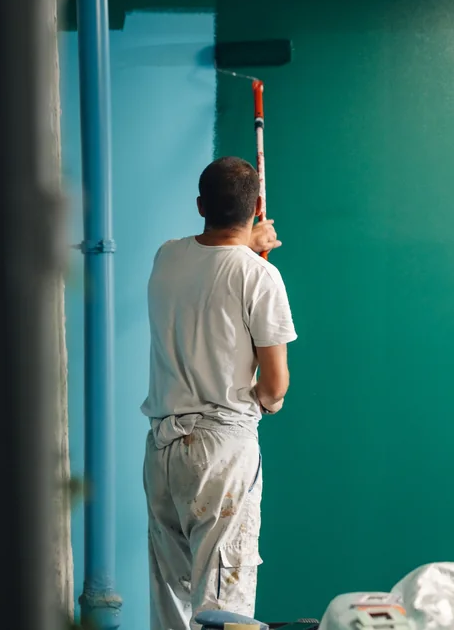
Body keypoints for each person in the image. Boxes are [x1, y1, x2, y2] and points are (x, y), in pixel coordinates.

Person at [141, 156, 297, 630]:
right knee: (222, 605)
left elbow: (210, 256)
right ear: (255, 208)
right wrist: (270, 402)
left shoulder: (167, 256)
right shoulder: (260, 277)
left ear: (200, 205)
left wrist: (249, 242)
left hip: (163, 449)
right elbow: (275, 385)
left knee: (171, 599)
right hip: (221, 453)